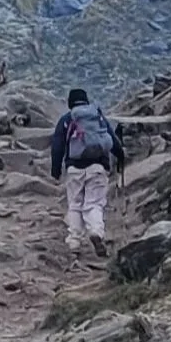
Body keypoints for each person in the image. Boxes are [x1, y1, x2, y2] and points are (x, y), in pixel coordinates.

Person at [50, 86, 120, 254]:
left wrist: (56, 170)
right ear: (86, 100)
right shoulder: (98, 117)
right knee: (94, 204)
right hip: (98, 166)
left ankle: (74, 241)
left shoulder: (67, 119)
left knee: (75, 204)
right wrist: (120, 155)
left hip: (74, 167)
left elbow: (57, 146)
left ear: (70, 103)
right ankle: (96, 232)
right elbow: (112, 140)